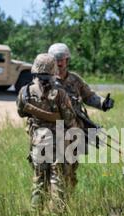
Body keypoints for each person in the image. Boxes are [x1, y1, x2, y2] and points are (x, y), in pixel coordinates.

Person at [48, 43, 115, 188]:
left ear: (67, 60)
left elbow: (89, 96)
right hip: (55, 133)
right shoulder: (47, 82)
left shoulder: (74, 80)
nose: (59, 62)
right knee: (57, 171)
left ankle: (68, 204)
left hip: (74, 132)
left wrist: (103, 103)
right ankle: (56, 205)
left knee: (71, 170)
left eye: (62, 58)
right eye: (56, 59)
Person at [16, 53, 77, 212]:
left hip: (38, 141)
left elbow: (21, 112)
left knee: (39, 181)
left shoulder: (25, 91)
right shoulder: (59, 93)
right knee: (58, 181)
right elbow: (70, 120)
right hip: (59, 142)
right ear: (53, 70)